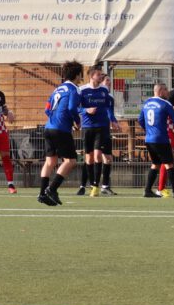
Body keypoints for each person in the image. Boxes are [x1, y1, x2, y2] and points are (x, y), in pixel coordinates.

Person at [39, 61, 84, 207]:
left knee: (50, 161)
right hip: (61, 129)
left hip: (49, 127)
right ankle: (51, 189)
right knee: (70, 161)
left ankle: (42, 194)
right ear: (77, 75)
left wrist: (56, 119)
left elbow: (47, 109)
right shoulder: (74, 89)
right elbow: (71, 108)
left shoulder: (57, 89)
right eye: (81, 74)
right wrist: (77, 121)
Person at [78, 67, 120, 197]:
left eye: (102, 75)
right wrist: (86, 110)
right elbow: (75, 107)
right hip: (87, 127)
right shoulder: (82, 90)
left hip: (101, 127)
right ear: (92, 76)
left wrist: (113, 120)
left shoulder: (104, 90)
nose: (101, 76)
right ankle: (90, 184)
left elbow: (107, 106)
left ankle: (96, 186)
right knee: (89, 157)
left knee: (97, 155)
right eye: (99, 75)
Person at [138, 83, 174, 198]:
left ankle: (147, 190)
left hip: (149, 139)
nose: (168, 92)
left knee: (155, 164)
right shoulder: (165, 104)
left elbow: (140, 119)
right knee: (169, 164)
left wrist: (148, 130)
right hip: (161, 139)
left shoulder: (147, 103)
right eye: (166, 89)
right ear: (160, 91)